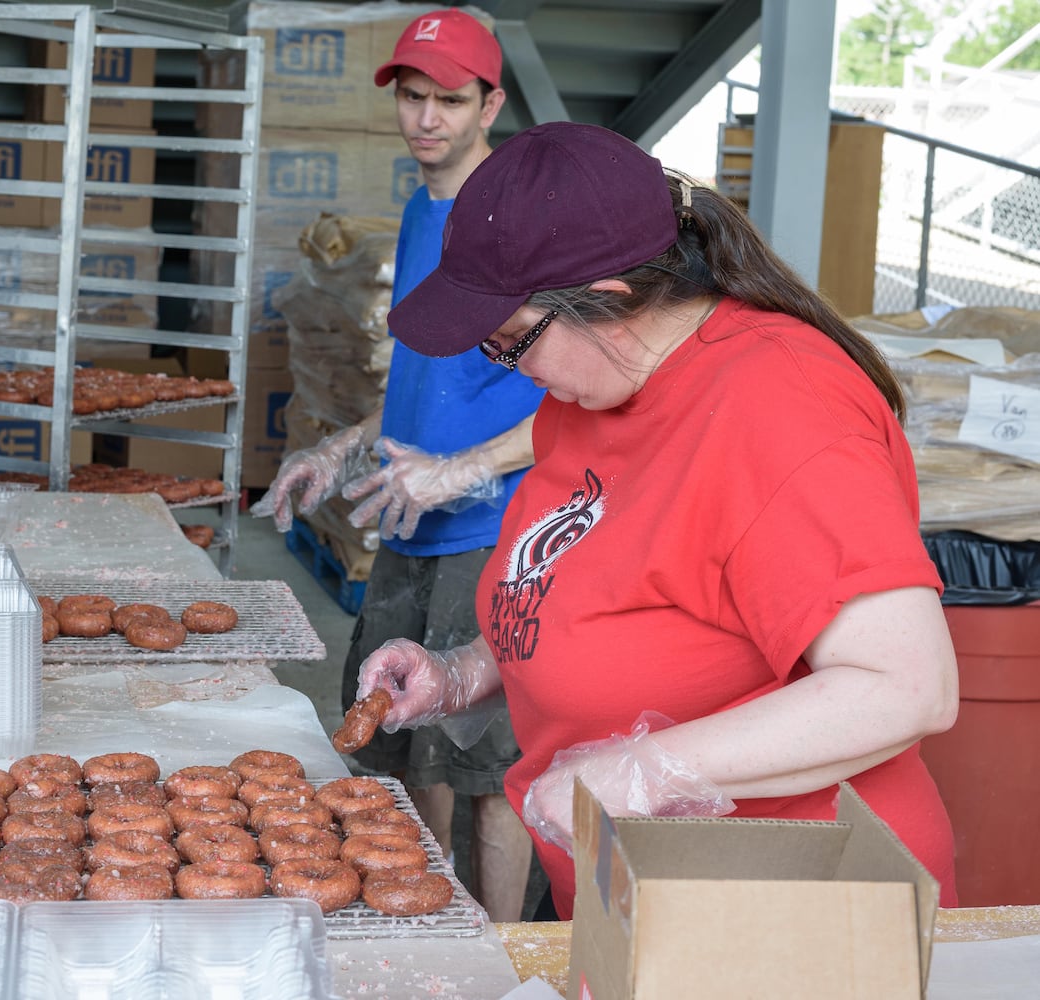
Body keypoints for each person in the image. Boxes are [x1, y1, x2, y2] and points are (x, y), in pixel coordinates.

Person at [353, 120, 961, 920]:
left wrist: (640, 772)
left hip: (785, 913)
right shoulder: (596, 388)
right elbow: (592, 591)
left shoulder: (781, 408)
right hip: (630, 892)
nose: (506, 367)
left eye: (511, 343)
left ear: (610, 301)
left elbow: (906, 687)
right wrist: (467, 674)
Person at [250, 8, 543, 921]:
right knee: (395, 736)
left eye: (449, 100)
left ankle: (500, 963)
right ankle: (422, 930)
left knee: (485, 769)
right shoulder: (424, 211)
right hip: (411, 521)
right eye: (412, 97)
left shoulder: (523, 227)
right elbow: (426, 382)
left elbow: (587, 400)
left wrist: (461, 472)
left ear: (491, 102)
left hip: (494, 528)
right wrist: (341, 449)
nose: (426, 119)